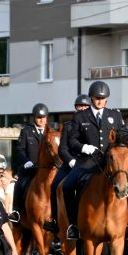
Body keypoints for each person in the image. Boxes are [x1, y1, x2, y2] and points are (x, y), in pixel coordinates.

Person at [62, 80, 128, 241]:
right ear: (91, 98)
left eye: (103, 98)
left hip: (113, 162)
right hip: (88, 161)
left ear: (107, 99)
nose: (99, 101)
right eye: (96, 98)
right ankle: (74, 225)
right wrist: (85, 147)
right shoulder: (80, 116)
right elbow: (72, 141)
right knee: (67, 185)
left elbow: (123, 137)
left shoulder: (115, 115)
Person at [45, 94, 90, 232]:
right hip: (70, 163)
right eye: (79, 106)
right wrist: (70, 161)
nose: (82, 108)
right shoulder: (69, 126)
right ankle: (54, 220)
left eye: (85, 106)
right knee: (54, 186)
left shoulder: (93, 125)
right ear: (76, 108)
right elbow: (62, 149)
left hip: (89, 164)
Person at [10, 103, 50, 223]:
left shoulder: (50, 133)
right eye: (38, 117)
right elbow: (20, 150)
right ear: (34, 118)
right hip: (30, 168)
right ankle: (16, 211)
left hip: (46, 169)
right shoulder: (26, 131)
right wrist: (26, 161)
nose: (41, 120)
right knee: (20, 184)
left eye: (43, 117)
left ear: (47, 118)